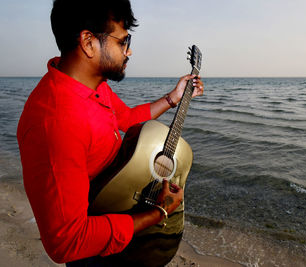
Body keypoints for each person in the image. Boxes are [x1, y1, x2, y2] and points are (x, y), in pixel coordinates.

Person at [16, 0, 204, 266]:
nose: (128, 52)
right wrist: (157, 213)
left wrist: (174, 98)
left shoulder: (89, 84)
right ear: (88, 42)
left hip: (116, 220)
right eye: (122, 42)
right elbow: (66, 242)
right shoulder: (56, 122)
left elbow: (125, 118)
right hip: (94, 253)